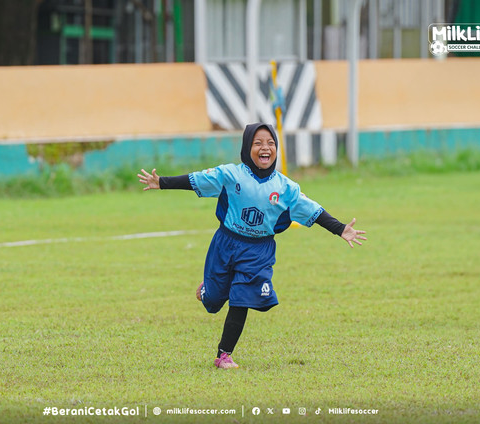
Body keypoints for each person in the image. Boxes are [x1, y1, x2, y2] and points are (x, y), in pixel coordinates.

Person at [138, 122, 366, 369]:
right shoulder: (230, 175)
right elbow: (197, 180)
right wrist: (162, 182)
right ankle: (207, 290)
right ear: (247, 148)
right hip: (226, 243)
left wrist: (340, 228)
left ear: (276, 149)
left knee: (243, 298)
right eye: (258, 143)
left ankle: (224, 355)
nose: (265, 148)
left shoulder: (286, 188)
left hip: (258, 250)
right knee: (213, 301)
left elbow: (313, 210)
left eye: (270, 143)